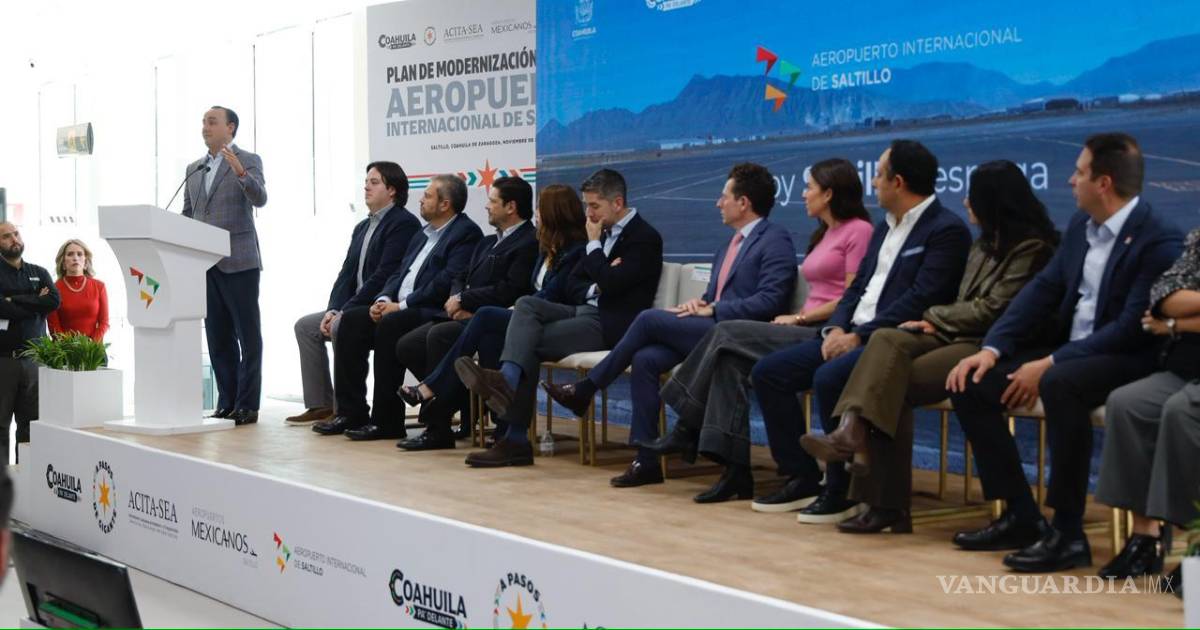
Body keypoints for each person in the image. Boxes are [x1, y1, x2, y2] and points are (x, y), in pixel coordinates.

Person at [945, 132, 1184, 573]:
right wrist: (992, 349)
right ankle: (1020, 512)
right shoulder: (1080, 227)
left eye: (1079, 172)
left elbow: (1130, 327)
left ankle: (1068, 532)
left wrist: (1050, 363)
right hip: (1072, 349)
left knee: (1060, 383)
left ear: (1103, 183)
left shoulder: (1157, 238)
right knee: (971, 382)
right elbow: (1042, 290)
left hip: (1131, 354)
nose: (1071, 180)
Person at [799, 160, 1058, 533]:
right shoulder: (984, 244)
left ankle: (883, 498)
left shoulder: (1032, 248)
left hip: (988, 342)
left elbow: (994, 309)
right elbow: (965, 301)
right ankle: (855, 438)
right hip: (954, 332)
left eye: (972, 195)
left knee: (891, 381)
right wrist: (937, 320)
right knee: (886, 339)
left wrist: (935, 316)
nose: (965, 202)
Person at [743, 139, 971, 523]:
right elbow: (856, 288)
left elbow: (922, 297)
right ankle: (801, 475)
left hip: (893, 338)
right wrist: (837, 327)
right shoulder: (883, 229)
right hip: (849, 332)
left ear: (898, 182)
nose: (874, 183)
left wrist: (859, 336)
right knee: (769, 373)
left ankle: (841, 488)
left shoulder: (945, 230)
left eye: (879, 175)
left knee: (829, 376)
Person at [542, 162, 797, 488]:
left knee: (648, 318)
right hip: (711, 327)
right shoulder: (728, 246)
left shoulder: (774, 239)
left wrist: (714, 308)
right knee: (645, 359)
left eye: (724, 197)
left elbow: (770, 301)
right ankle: (645, 460)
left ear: (744, 202)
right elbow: (713, 295)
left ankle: (587, 388)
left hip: (740, 334)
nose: (718, 203)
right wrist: (699, 304)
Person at [643, 157, 874, 502]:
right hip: (803, 326)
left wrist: (799, 318)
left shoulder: (859, 231)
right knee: (729, 362)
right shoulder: (823, 234)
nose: (804, 193)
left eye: (810, 187)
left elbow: (851, 296)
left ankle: (686, 424)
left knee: (725, 332)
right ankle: (739, 472)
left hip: (825, 331)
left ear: (828, 194)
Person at [456, 168, 663, 467]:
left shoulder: (643, 238)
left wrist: (595, 251)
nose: (588, 214)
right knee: (527, 304)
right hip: (582, 308)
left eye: (594, 206)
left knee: (527, 345)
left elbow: (614, 283)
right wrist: (599, 279)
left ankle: (514, 436)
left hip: (610, 323)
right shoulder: (601, 232)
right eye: (586, 205)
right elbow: (574, 283)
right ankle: (507, 387)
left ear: (617, 203)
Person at [396, 184, 588, 449]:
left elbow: (546, 293)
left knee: (474, 325)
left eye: (540, 210)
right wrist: (458, 300)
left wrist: (496, 306)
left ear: (554, 214)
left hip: (548, 319)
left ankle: (436, 401)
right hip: (518, 315)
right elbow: (461, 276)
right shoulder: (544, 248)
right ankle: (481, 413)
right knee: (429, 340)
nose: (536, 215)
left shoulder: (571, 250)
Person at [313, 175, 482, 440]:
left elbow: (444, 282)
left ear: (445, 204)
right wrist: (382, 300)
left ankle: (387, 420)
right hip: (399, 306)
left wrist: (400, 306)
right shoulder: (422, 234)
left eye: (427, 196)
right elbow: (398, 274)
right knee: (352, 321)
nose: (420, 200)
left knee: (391, 324)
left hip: (430, 310)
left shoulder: (465, 233)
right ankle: (351, 412)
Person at [385, 175, 539, 449]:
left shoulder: (528, 242)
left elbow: (509, 290)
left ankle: (438, 427)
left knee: (438, 336)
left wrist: (465, 300)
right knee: (408, 345)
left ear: (511, 207)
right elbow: (460, 275)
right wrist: (457, 298)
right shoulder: (487, 241)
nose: (487, 206)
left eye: (493, 201)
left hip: (493, 319)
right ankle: (466, 397)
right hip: (463, 314)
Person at [1093, 225, 1200, 591]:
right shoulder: (1198, 239)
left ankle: (1195, 544)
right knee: (1128, 403)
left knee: (1183, 411)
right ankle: (1146, 537)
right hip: (1186, 366)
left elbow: (1169, 313)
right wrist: (1175, 318)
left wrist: (1175, 324)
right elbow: (1164, 294)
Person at [287, 162, 420, 424]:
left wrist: (344, 312)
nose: (366, 187)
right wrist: (333, 309)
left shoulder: (403, 223)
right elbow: (346, 274)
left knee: (343, 324)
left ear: (392, 190)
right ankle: (321, 405)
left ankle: (345, 410)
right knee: (305, 326)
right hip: (353, 305)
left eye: (374, 182)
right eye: (366, 182)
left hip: (381, 308)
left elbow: (384, 275)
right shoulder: (362, 227)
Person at [182, 105, 268, 426]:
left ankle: (248, 404)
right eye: (203, 122)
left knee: (248, 336)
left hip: (239, 261)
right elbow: (188, 213)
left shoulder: (248, 160)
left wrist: (241, 174)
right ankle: (227, 401)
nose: (205, 127)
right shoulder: (194, 168)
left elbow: (260, 198)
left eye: (212, 122)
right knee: (218, 339)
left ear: (230, 127)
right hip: (205, 265)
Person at [0, 222, 60, 461]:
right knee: (1, 426)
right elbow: (2, 309)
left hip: (35, 361)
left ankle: (26, 475)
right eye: (6, 236)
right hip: (4, 361)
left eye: (16, 233)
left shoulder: (39, 271)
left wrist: (13, 299)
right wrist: (35, 301)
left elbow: (53, 301)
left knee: (31, 425)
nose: (14, 239)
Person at [47, 239, 109, 342]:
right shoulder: (53, 289)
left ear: (85, 262)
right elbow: (53, 326)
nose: (75, 258)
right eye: (70, 254)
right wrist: (69, 347)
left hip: (93, 349)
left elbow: (104, 322)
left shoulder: (99, 286)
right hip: (63, 349)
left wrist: (90, 344)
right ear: (63, 262)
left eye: (79, 254)